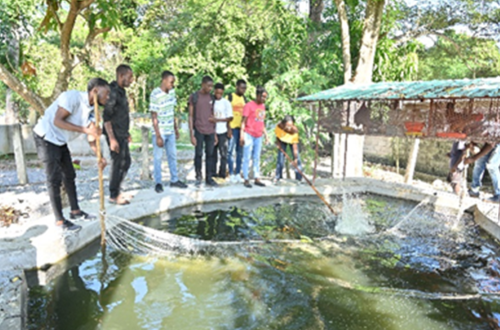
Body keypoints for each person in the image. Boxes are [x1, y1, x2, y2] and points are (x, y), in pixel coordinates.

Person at [33, 78, 110, 232]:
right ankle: (60, 220)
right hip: (46, 137)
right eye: (106, 93)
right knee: (54, 179)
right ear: (95, 90)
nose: (108, 97)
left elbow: (91, 138)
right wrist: (86, 130)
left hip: (60, 141)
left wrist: (99, 157)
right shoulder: (72, 97)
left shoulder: (93, 111)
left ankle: (75, 211)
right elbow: (58, 121)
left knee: (69, 175)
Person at [150, 70, 188, 193]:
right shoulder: (155, 94)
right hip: (160, 131)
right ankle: (158, 182)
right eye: (171, 82)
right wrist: (158, 135)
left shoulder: (172, 93)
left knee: (172, 155)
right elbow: (154, 116)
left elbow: (172, 112)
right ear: (164, 80)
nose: (173, 84)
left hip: (170, 130)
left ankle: (174, 180)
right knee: (158, 157)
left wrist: (175, 129)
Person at [103, 64, 134, 205]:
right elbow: (106, 117)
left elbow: (121, 115)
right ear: (121, 76)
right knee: (118, 164)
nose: (132, 80)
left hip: (122, 134)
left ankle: (117, 190)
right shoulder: (112, 92)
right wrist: (112, 139)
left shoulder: (122, 92)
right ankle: (113, 195)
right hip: (114, 135)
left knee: (126, 162)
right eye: (130, 76)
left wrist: (126, 133)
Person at [189, 75, 218, 187]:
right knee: (199, 154)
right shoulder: (194, 97)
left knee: (210, 154)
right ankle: (198, 176)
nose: (210, 88)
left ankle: (209, 177)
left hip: (210, 130)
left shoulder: (212, 98)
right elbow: (190, 116)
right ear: (202, 84)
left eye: (212, 86)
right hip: (199, 129)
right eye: (208, 86)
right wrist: (191, 134)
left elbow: (213, 115)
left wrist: (215, 133)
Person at [240, 86, 269, 188]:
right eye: (263, 97)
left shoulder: (263, 107)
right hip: (249, 134)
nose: (264, 99)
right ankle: (246, 178)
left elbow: (262, 121)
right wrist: (241, 135)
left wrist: (266, 135)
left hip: (259, 135)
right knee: (247, 157)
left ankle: (257, 177)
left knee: (257, 157)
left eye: (265, 97)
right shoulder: (249, 106)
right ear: (257, 95)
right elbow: (243, 121)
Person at [211, 83, 233, 180]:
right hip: (212, 131)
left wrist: (229, 129)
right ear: (214, 91)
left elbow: (230, 117)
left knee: (223, 154)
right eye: (217, 93)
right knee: (212, 154)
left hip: (223, 131)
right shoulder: (211, 102)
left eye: (220, 93)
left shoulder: (226, 103)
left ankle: (222, 173)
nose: (218, 95)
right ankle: (212, 173)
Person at [227, 79, 247, 183]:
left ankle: (238, 173)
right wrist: (228, 128)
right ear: (237, 87)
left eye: (245, 88)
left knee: (240, 152)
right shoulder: (229, 97)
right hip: (232, 127)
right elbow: (225, 113)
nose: (243, 90)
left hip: (241, 129)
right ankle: (230, 173)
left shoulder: (245, 99)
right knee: (229, 151)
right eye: (242, 88)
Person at [274, 115, 303, 183]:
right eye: (287, 125)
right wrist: (278, 144)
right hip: (282, 139)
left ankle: (299, 178)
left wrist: (295, 158)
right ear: (284, 124)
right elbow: (278, 136)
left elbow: (294, 146)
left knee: (297, 159)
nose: (289, 127)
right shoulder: (279, 126)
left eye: (291, 125)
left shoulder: (294, 131)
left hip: (291, 140)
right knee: (280, 158)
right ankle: (278, 176)